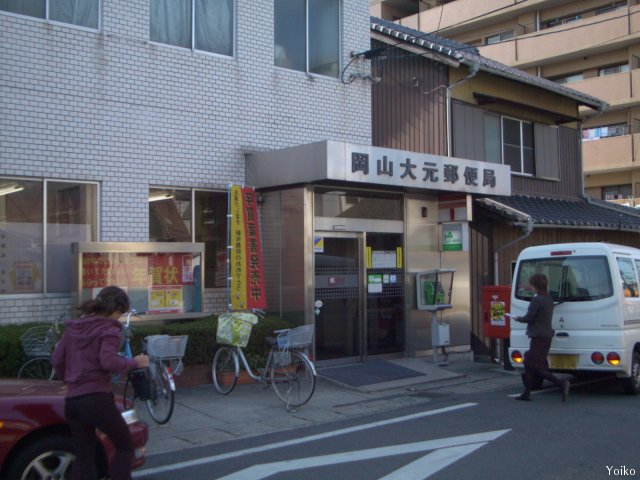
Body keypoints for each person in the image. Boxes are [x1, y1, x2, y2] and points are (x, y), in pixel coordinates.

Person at [51, 286, 149, 480]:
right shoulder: (109, 329)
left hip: (73, 401)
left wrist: (70, 378)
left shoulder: (75, 327)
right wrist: (134, 362)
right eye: (120, 314)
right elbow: (109, 361)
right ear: (115, 310)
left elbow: (56, 359)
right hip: (96, 399)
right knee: (125, 445)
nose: (119, 318)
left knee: (84, 457)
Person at [512, 273, 570, 402]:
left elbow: (529, 317)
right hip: (546, 336)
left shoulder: (537, 300)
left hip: (538, 336)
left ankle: (561, 383)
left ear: (535, 286)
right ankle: (526, 393)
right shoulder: (548, 299)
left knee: (536, 366)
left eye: (531, 284)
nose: (530, 287)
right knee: (529, 363)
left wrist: (517, 318)